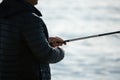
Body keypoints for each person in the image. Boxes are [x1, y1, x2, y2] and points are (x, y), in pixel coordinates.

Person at [0, 0, 66, 80]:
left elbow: (12, 42)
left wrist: (44, 41)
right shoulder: (30, 19)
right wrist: (61, 51)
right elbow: (46, 55)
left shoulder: (3, 14)